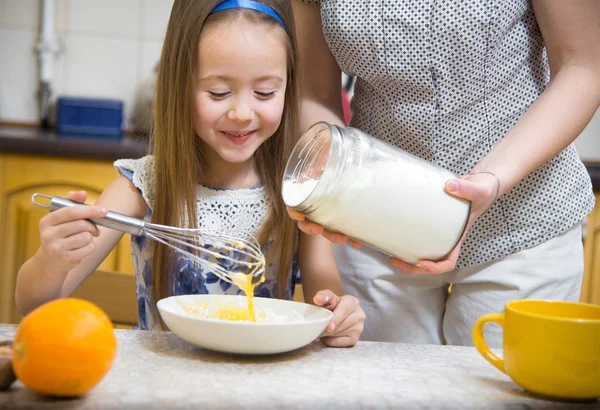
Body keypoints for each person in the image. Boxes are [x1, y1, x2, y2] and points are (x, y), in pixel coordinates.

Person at [15, 0, 365, 346]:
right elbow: (33, 303)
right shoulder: (144, 186)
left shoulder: (300, 193)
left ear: (289, 88)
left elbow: (326, 303)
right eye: (219, 92)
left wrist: (339, 318)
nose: (242, 112)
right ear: (180, 84)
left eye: (264, 92)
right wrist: (52, 260)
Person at [289, 0, 600, 346]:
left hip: (522, 220)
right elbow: (314, 91)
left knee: (498, 394)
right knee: (388, 394)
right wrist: (336, 185)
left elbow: (584, 65)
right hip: (380, 223)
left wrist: (491, 179)